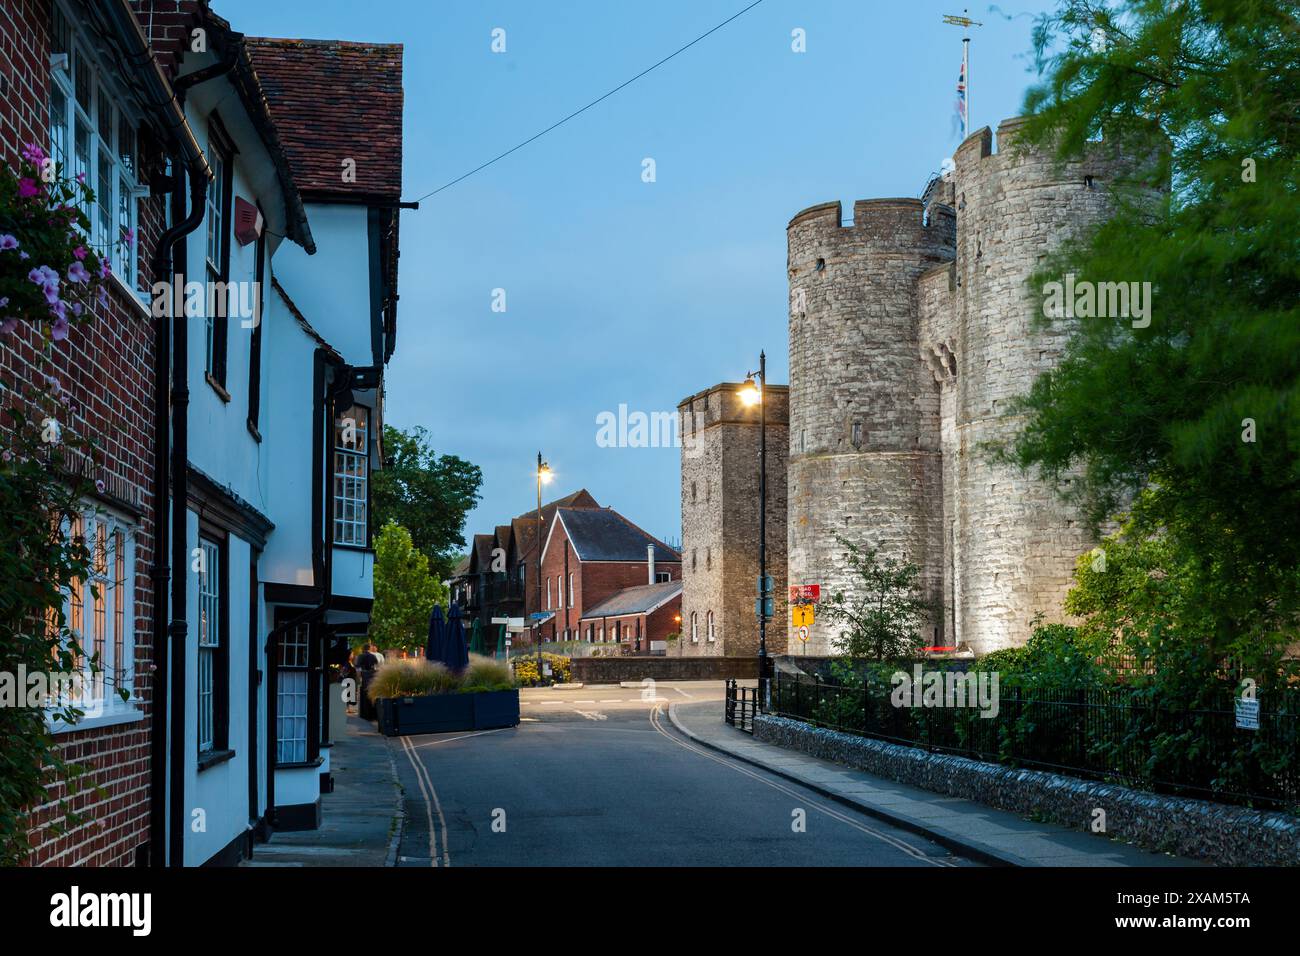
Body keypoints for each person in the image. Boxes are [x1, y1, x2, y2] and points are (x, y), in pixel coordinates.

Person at [355, 643, 381, 721]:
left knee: (364, 695)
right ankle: (373, 715)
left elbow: (358, 667)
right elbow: (376, 666)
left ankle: (365, 715)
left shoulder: (360, 656)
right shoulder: (373, 656)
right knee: (372, 695)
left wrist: (359, 677)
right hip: (372, 676)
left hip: (364, 676)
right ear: (369, 648)